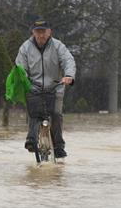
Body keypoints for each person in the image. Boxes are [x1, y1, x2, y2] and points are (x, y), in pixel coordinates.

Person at [15, 18, 76, 158]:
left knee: (56, 114)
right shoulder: (25, 47)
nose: (40, 35)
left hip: (55, 87)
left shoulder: (58, 46)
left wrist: (68, 76)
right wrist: (22, 78)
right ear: (33, 32)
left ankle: (59, 146)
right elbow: (20, 66)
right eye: (38, 32)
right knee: (34, 113)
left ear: (49, 32)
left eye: (43, 32)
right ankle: (31, 139)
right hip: (33, 87)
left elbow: (68, 60)